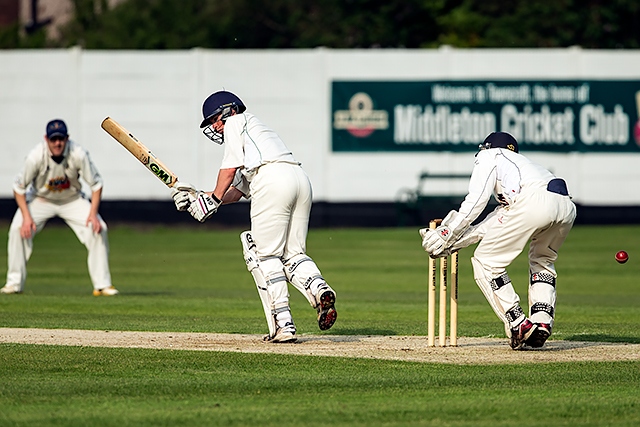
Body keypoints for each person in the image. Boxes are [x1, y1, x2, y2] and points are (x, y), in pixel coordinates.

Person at [171, 90, 337, 343]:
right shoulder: (257, 134)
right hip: (299, 179)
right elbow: (235, 192)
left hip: (271, 180)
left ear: (229, 111)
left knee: (264, 255)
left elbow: (227, 172)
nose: (215, 126)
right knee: (293, 254)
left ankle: (284, 325)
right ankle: (319, 289)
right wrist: (196, 197)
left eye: (215, 119)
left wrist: (212, 200)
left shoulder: (237, 122)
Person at [419, 131, 576, 350]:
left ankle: (518, 323)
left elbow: (476, 201)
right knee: (542, 260)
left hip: (533, 204)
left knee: (486, 261)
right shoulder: (525, 168)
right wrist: (453, 243)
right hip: (566, 207)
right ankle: (541, 321)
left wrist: (446, 233)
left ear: (487, 147)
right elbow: (495, 222)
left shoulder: (490, 156)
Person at [1, 119, 118, 296]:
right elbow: (19, 188)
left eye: (61, 139)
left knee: (98, 229)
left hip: (71, 199)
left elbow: (96, 184)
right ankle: (14, 284)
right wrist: (26, 217)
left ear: (67, 138)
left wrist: (93, 215)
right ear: (46, 139)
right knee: (18, 229)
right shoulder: (35, 157)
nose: (57, 143)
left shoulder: (78, 154)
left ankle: (102, 285)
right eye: (54, 139)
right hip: (41, 199)